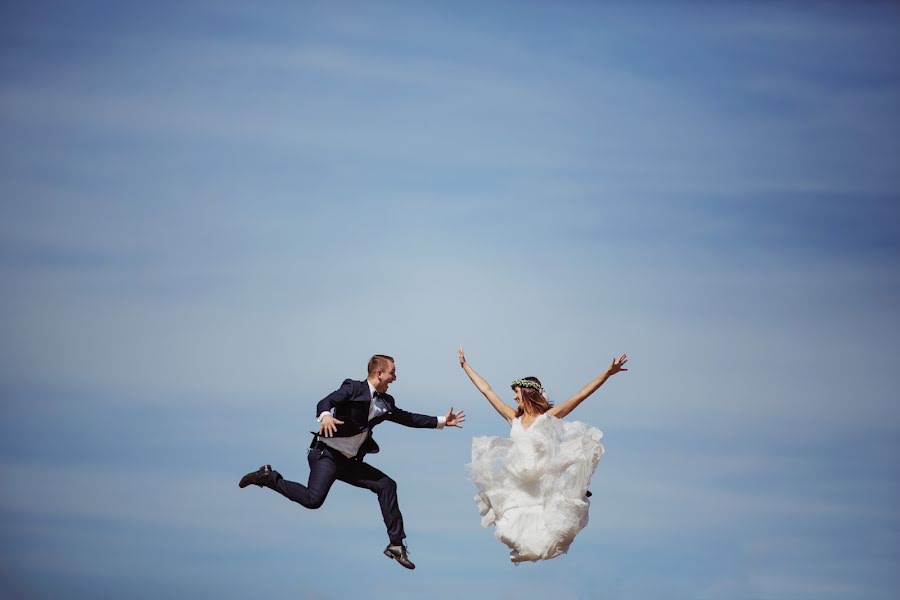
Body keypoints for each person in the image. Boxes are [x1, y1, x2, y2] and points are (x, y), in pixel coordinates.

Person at [239, 354, 465, 569]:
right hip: (326, 454)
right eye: (392, 373)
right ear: (379, 373)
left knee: (386, 484)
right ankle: (269, 477)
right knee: (313, 500)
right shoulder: (353, 387)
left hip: (349, 462)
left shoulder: (386, 402)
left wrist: (443, 421)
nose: (395, 378)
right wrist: (325, 415)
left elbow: (408, 418)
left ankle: (396, 544)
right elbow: (326, 400)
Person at [458, 346, 627, 562]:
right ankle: (525, 551)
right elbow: (487, 391)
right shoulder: (513, 418)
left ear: (528, 393)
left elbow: (581, 395)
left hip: (544, 478)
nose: (513, 397)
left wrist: (607, 373)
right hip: (519, 480)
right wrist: (465, 366)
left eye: (516, 393)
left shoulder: (548, 417)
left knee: (551, 529)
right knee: (510, 526)